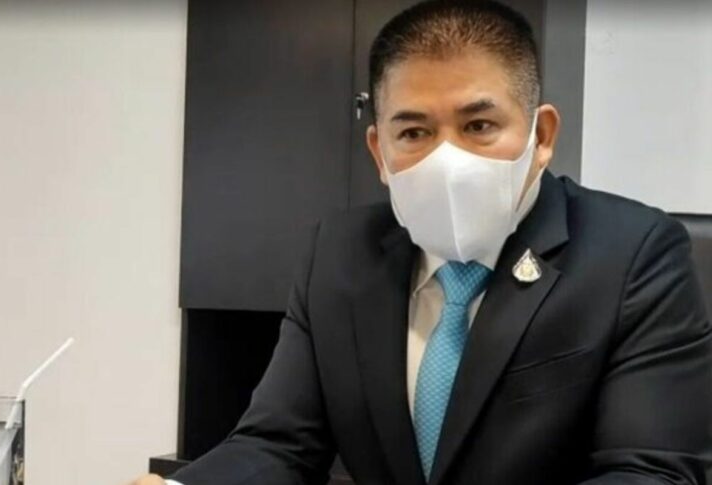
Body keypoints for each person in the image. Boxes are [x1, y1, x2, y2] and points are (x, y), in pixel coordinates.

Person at [129, 1, 712, 484]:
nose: (447, 159)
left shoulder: (634, 254)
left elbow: (650, 472)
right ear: (379, 152)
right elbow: (279, 445)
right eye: (414, 132)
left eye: (479, 126)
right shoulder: (337, 254)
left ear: (541, 136)